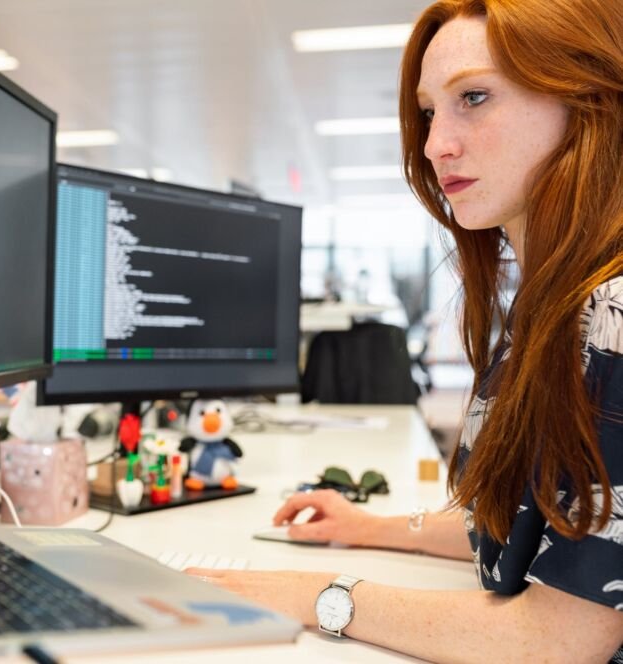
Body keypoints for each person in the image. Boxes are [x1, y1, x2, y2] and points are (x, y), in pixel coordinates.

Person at [186, 0, 623, 660]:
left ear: (584, 99)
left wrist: (314, 596)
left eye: (474, 97)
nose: (433, 144)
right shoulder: (545, 312)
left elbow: (562, 637)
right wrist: (371, 527)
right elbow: (526, 531)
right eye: (428, 112)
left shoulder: (612, 315)